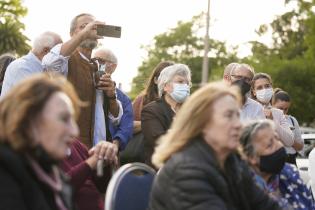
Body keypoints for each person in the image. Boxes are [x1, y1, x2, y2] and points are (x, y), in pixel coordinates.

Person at [148, 82, 282, 210]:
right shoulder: (185, 172)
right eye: (228, 116)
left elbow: (266, 205)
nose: (238, 124)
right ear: (202, 124)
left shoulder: (233, 162)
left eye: (237, 115)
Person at [43, 13, 123, 167]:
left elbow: (116, 119)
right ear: (73, 34)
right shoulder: (66, 60)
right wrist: (84, 33)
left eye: (93, 27)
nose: (89, 30)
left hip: (95, 154)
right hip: (68, 152)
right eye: (83, 26)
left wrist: (111, 96)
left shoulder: (97, 66)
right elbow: (50, 63)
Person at [0, 73, 80, 210]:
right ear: (29, 123)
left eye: (73, 120)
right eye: (64, 119)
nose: (75, 131)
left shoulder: (56, 177)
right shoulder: (5, 171)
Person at [240, 120, 314, 210]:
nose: (279, 146)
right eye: (269, 145)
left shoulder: (290, 173)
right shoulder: (242, 190)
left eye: (277, 139)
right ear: (252, 157)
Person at [141, 63, 191, 167]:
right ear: (165, 86)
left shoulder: (191, 111)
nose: (185, 86)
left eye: (187, 83)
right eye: (180, 81)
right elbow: (159, 141)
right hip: (162, 172)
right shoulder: (151, 111)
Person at [92, 48, 133, 150]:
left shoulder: (123, 99)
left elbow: (126, 127)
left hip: (107, 153)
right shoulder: (85, 89)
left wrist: (114, 146)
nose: (96, 64)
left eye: (100, 61)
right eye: (93, 60)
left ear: (113, 66)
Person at [60, 139, 118, 210]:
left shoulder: (75, 144)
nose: (75, 131)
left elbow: (101, 187)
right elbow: (60, 187)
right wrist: (93, 160)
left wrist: (104, 162)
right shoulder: (44, 153)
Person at [1, 31, 62, 96]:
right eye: (58, 52)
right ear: (46, 51)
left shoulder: (40, 67)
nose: (61, 57)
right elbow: (36, 100)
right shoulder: (22, 68)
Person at [251, 72, 294, 147]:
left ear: (272, 88)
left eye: (267, 86)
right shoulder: (248, 109)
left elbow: (289, 141)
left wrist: (273, 120)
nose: (264, 90)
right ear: (254, 92)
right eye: (259, 88)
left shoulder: (278, 113)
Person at [133, 61, 174, 134]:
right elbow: (128, 126)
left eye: (173, 78)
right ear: (155, 80)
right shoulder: (142, 99)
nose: (168, 82)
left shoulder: (181, 102)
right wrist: (153, 124)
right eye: (165, 78)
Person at [272, 88, 304, 164]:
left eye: (286, 109)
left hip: (291, 159)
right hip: (275, 159)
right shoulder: (267, 118)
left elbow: (300, 146)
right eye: (280, 108)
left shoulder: (292, 120)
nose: (282, 112)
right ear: (272, 104)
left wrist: (289, 140)